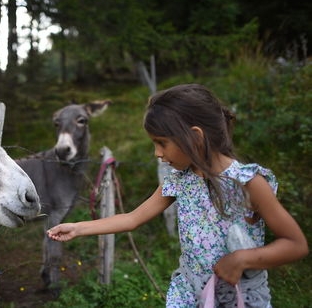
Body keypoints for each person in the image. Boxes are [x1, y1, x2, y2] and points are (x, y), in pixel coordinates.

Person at [47, 84, 308, 307]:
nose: (157, 154)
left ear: (195, 137)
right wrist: (78, 228)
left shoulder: (249, 183)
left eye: (162, 143)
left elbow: (295, 245)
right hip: (188, 295)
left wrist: (242, 259)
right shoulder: (179, 181)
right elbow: (132, 218)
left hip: (241, 299)